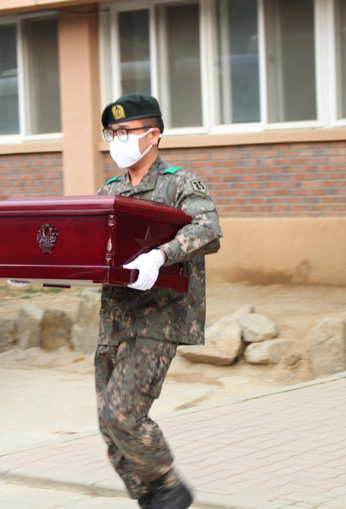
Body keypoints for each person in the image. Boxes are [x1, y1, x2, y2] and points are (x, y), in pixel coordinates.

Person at [95, 93, 223, 509]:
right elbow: (90, 244)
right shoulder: (110, 190)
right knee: (109, 427)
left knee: (122, 414)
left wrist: (161, 254)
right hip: (114, 320)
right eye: (112, 134)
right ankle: (150, 499)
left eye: (125, 132)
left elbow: (208, 229)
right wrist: (37, 267)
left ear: (154, 135)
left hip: (159, 318)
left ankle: (169, 486)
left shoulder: (180, 183)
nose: (117, 141)